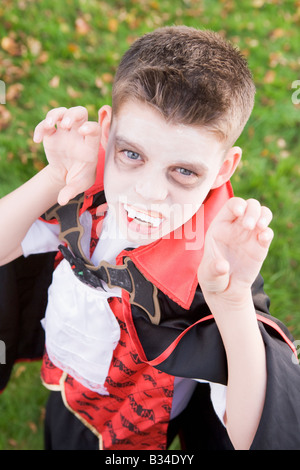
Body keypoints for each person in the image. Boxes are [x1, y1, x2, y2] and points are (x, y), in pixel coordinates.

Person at [0, 26, 299, 451]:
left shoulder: (212, 265)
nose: (149, 193)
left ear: (224, 169)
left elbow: (255, 432)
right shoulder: (87, 199)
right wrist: (55, 178)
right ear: (107, 131)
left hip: (137, 429)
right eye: (133, 154)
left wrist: (231, 302)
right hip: (68, 381)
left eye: (184, 171)